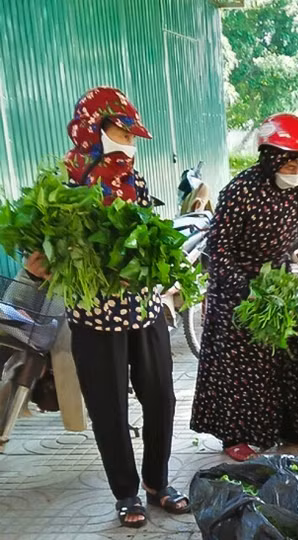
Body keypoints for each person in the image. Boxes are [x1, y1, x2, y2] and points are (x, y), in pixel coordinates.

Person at [25, 87, 189, 528]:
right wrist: (40, 265)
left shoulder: (135, 178)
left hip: (144, 309)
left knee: (161, 399)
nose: (130, 142)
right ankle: (126, 493)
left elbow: (148, 233)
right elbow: (42, 254)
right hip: (94, 315)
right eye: (122, 131)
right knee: (109, 406)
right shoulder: (63, 186)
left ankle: (157, 482)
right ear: (94, 129)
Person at [190, 113, 298, 462]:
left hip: (281, 289)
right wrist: (247, 290)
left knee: (290, 360)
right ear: (269, 157)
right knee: (243, 366)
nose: (295, 168)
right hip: (239, 292)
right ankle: (236, 435)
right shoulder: (240, 191)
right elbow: (220, 251)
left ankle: (297, 428)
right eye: (288, 160)